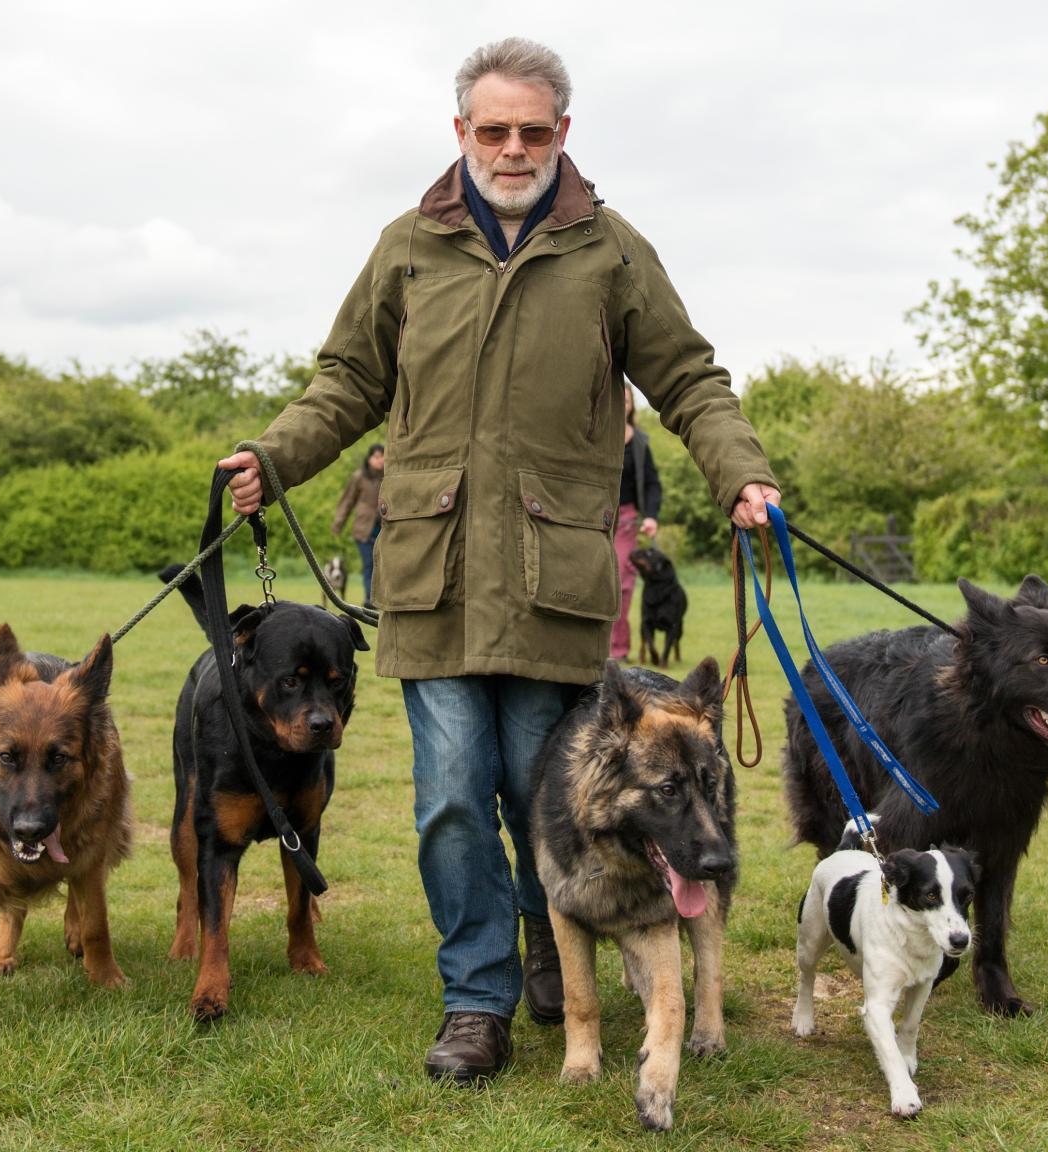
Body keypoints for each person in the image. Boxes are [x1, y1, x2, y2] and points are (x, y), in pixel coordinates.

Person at [220, 36, 780, 1086]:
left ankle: (549, 952)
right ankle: (475, 1000)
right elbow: (346, 380)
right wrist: (273, 457)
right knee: (448, 797)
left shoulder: (611, 251)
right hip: (431, 577)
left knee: (545, 800)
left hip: (552, 583)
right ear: (461, 132)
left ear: (563, 132)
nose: (512, 148)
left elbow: (689, 378)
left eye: (531, 130)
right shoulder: (407, 247)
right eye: (493, 130)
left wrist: (741, 475)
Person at [610, 384, 662, 661]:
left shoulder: (639, 442)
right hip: (592, 515)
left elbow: (652, 483)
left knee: (621, 580)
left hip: (626, 519)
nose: (622, 404)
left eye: (627, 400)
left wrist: (651, 515)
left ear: (631, 406)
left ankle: (617, 650)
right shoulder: (592, 435)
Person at [331, 442, 385, 605]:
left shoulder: (389, 475)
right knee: (369, 564)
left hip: (385, 527)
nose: (380, 460)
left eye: (383, 456)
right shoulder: (359, 477)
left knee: (384, 565)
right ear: (369, 459)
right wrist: (338, 523)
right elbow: (347, 501)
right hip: (363, 529)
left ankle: (383, 598)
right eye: (377, 456)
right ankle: (370, 599)